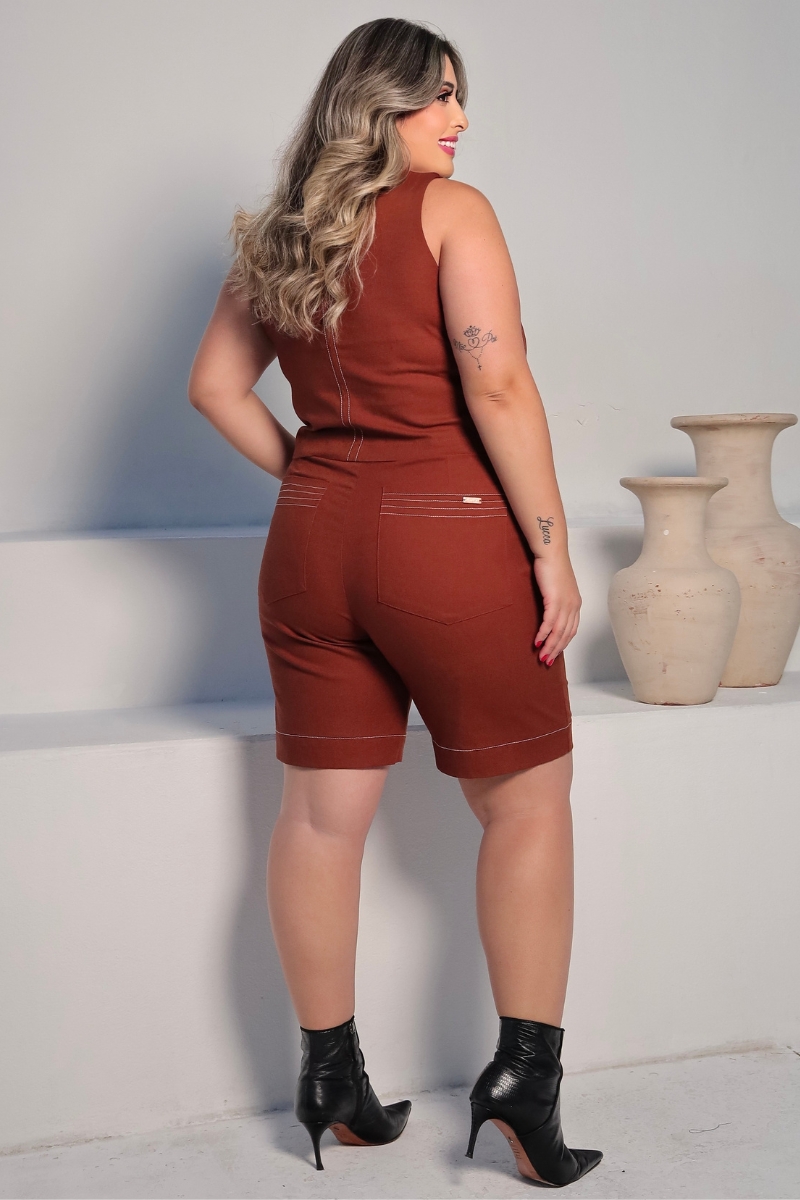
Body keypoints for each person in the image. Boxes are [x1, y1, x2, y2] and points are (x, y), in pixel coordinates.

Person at [188, 17, 601, 1187]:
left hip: (308, 548)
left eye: (460, 98)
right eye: (438, 98)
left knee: (319, 819)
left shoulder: (279, 235)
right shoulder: (450, 214)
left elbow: (213, 386)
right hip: (446, 542)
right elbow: (496, 382)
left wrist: (320, 479)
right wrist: (550, 550)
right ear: (377, 104)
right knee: (527, 803)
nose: (459, 120)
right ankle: (523, 1085)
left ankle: (332, 1082)